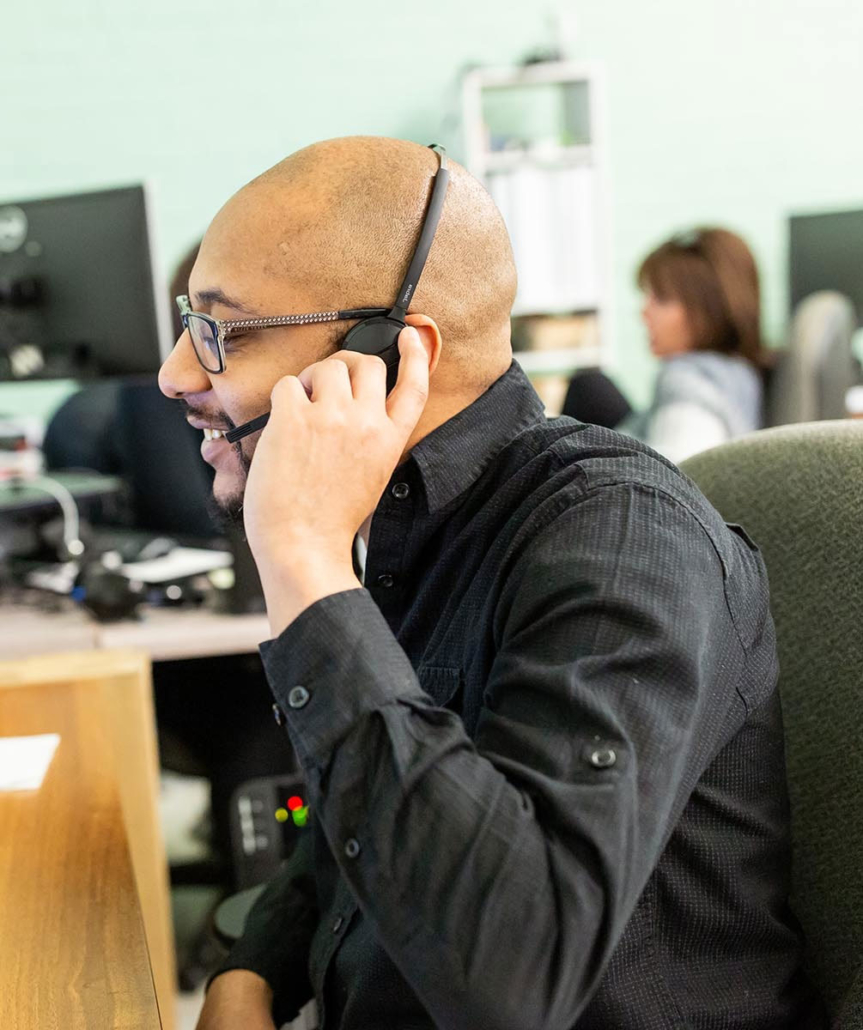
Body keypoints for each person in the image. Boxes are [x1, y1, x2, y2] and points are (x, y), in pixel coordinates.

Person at [157, 137, 825, 1029]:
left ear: (393, 355)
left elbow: (510, 981)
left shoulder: (620, 541)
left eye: (219, 333)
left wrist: (305, 561)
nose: (174, 374)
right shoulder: (414, 527)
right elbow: (371, 809)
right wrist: (253, 972)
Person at [563, 227, 765, 465]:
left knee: (587, 388)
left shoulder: (690, 383)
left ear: (706, 309)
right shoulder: (737, 372)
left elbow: (680, 467)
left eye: (661, 298)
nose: (644, 312)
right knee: (590, 386)